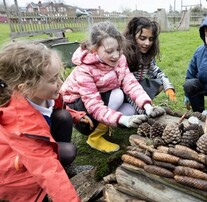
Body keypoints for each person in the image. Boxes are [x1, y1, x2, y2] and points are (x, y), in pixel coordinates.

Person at [60, 21, 164, 153]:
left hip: (99, 102)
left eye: (118, 49)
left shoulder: (120, 59)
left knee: (129, 110)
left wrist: (147, 106)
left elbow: (131, 84)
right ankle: (94, 137)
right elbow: (94, 105)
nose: (116, 55)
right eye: (109, 51)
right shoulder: (84, 70)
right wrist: (122, 120)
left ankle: (107, 125)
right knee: (117, 95)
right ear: (94, 49)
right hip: (78, 112)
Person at [0, 42, 81, 201]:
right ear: (26, 87)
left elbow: (57, 108)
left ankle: (64, 170)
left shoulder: (42, 96)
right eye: (52, 80)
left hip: (35, 149)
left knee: (64, 116)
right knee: (48, 180)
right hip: (15, 175)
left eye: (59, 75)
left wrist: (76, 115)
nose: (59, 83)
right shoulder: (22, 126)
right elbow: (47, 168)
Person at [123, 16, 176, 114]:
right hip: (123, 93)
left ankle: (142, 104)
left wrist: (168, 87)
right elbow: (128, 87)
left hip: (138, 88)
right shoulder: (123, 57)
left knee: (160, 83)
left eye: (151, 39)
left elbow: (157, 72)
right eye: (142, 38)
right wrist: (144, 109)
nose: (147, 43)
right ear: (132, 36)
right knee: (130, 112)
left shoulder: (147, 56)